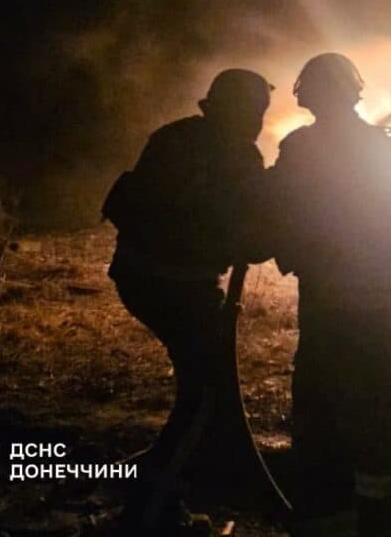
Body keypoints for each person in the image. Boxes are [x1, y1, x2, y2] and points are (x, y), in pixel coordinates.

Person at [103, 68, 273, 536]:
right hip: (178, 285)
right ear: (241, 110)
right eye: (257, 111)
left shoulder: (174, 136)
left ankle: (165, 493)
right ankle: (149, 507)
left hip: (139, 277)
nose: (260, 121)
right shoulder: (238, 156)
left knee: (203, 389)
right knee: (206, 397)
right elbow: (250, 240)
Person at [267, 53, 391, 537]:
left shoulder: (300, 148)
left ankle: (327, 513)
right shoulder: (380, 148)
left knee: (321, 400)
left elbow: (280, 214)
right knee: (376, 399)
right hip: (389, 300)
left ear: (306, 94)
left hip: (336, 300)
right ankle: (371, 508)